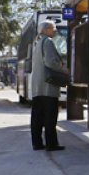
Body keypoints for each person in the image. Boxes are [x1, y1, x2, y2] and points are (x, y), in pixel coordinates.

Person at [30, 20, 67, 151]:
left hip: (37, 87)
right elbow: (51, 62)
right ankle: (52, 144)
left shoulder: (37, 43)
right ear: (45, 30)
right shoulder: (48, 42)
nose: (55, 30)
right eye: (53, 28)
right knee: (50, 117)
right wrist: (64, 69)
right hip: (48, 87)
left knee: (37, 117)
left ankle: (37, 143)